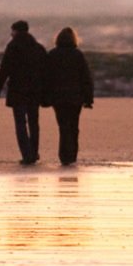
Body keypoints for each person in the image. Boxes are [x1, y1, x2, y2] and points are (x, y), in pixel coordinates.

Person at [0, 20, 47, 165]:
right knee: (34, 123)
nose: (11, 34)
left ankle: (27, 154)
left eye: (12, 31)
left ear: (16, 31)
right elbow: (46, 71)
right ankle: (34, 152)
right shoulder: (38, 47)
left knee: (20, 123)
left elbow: (4, 69)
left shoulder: (13, 47)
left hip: (18, 90)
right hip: (35, 91)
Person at [45, 27, 94, 166]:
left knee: (63, 126)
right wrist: (88, 99)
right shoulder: (77, 55)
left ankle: (64, 155)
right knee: (74, 126)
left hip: (58, 97)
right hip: (75, 97)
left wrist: (45, 97)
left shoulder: (52, 54)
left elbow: (46, 78)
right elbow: (86, 78)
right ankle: (71, 155)